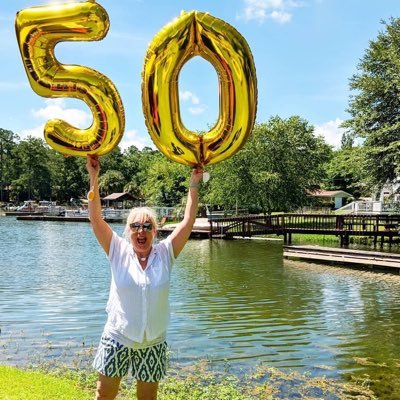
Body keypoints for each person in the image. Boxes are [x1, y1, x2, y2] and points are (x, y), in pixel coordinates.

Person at [86, 154, 203, 400]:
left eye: (147, 226)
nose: (141, 231)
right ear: (128, 231)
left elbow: (188, 220)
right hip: (118, 337)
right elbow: (96, 219)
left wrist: (194, 183)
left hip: (153, 342)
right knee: (103, 395)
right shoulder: (117, 250)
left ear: (155, 231)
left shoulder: (165, 254)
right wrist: (93, 178)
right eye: (136, 226)